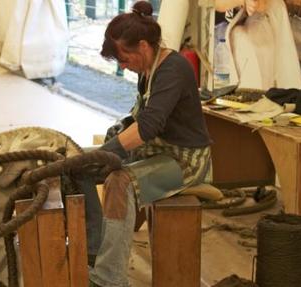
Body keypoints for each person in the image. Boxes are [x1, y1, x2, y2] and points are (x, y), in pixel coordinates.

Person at [88, 1, 212, 286]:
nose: (122, 65)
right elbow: (138, 119)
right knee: (78, 165)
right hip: (157, 151)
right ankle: (94, 252)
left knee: (119, 182)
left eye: (124, 58)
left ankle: (108, 279)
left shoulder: (173, 69)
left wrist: (107, 153)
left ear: (143, 46)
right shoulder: (148, 70)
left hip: (185, 160)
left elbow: (147, 127)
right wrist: (111, 139)